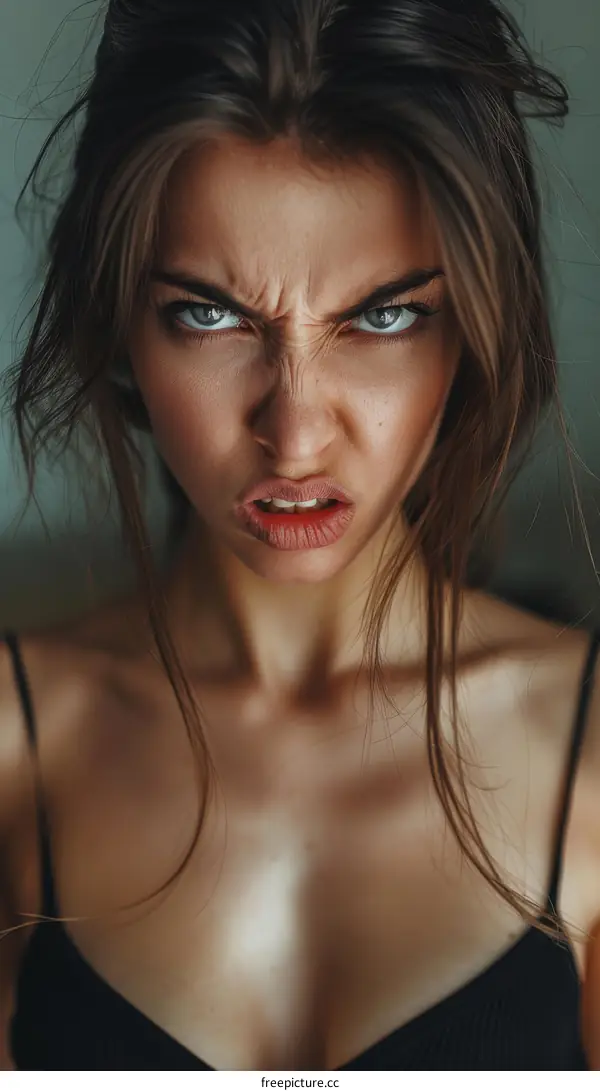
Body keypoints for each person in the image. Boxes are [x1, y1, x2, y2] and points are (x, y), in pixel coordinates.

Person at [0, 0, 599, 1073]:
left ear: (472, 325)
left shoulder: (589, 756)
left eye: (382, 317)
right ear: (119, 327)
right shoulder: (14, 749)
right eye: (211, 315)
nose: (296, 428)